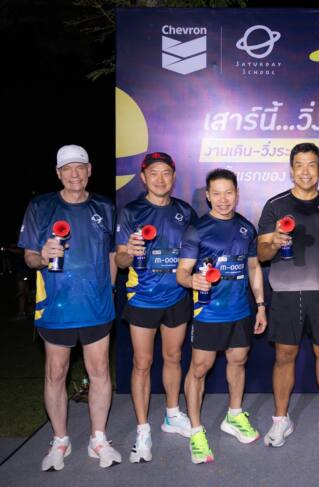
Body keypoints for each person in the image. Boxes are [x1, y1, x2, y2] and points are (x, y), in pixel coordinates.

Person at [19, 144, 121, 471]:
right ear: (58, 173)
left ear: (89, 170)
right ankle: (60, 439)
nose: (74, 174)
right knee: (56, 373)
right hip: (56, 308)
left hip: (96, 305)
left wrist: (110, 289)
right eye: (67, 168)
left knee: (100, 371)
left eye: (80, 167)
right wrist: (42, 255)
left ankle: (98, 439)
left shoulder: (105, 207)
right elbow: (29, 257)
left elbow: (111, 255)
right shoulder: (41, 206)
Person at [257, 142, 319, 447]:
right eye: (299, 165)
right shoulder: (275, 205)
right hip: (286, 294)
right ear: (291, 169)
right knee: (284, 356)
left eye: (312, 165)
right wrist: (273, 242)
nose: (306, 171)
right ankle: (280, 419)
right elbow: (261, 253)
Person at [176, 169, 267, 464]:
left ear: (237, 194)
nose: (223, 199)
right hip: (208, 313)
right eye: (217, 193)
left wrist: (261, 305)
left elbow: (253, 267)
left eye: (229, 193)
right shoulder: (196, 230)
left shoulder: (246, 228)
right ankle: (196, 430)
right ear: (208, 196)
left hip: (240, 311)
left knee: (238, 361)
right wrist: (192, 281)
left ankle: (234, 415)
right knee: (199, 369)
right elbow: (182, 272)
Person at [114, 151, 197, 463]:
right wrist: (129, 251)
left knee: (174, 357)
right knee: (142, 363)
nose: (160, 179)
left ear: (173, 177)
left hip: (177, 296)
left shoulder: (185, 212)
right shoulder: (131, 212)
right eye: (154, 173)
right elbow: (121, 260)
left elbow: (194, 254)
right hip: (143, 298)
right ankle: (142, 429)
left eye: (166, 173)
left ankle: (172, 415)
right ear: (143, 177)